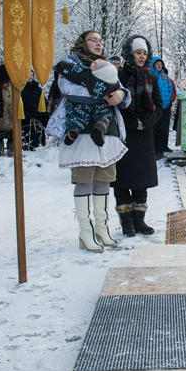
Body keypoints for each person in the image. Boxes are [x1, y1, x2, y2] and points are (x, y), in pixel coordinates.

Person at [46, 30, 130, 252]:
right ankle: (86, 231)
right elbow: (69, 90)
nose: (98, 43)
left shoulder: (106, 65)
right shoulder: (70, 64)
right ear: (82, 42)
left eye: (101, 40)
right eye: (93, 39)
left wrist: (121, 95)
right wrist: (101, 95)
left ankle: (102, 228)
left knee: (104, 177)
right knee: (85, 178)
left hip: (107, 130)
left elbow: (120, 89)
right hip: (81, 129)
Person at [112, 35, 162, 237]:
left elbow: (158, 106)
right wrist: (133, 123)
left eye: (144, 53)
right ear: (130, 54)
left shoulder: (152, 78)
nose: (141, 56)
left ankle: (140, 221)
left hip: (145, 136)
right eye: (138, 53)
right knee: (123, 180)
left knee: (141, 180)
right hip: (124, 135)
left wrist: (145, 122)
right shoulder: (120, 76)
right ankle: (126, 223)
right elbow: (115, 105)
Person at [150, 56, 176, 158]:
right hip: (156, 107)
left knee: (164, 128)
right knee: (156, 129)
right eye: (157, 64)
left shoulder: (165, 76)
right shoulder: (151, 76)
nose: (159, 66)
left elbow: (170, 89)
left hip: (166, 106)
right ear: (153, 65)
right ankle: (156, 150)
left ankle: (163, 147)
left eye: (161, 64)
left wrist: (170, 99)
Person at [20, 76, 48, 150]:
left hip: (37, 115)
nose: (30, 76)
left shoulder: (38, 89)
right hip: (26, 115)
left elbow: (44, 103)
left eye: (31, 74)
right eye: (28, 74)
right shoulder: (20, 89)